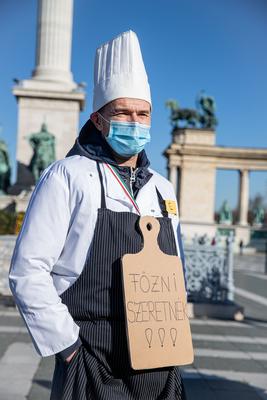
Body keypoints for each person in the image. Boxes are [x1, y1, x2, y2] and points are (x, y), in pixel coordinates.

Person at [9, 30, 187, 400]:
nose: (134, 121)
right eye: (122, 112)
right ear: (99, 118)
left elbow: (174, 269)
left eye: (143, 113)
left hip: (159, 359)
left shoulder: (163, 188)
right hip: (92, 357)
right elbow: (28, 271)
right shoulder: (67, 175)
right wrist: (69, 348)